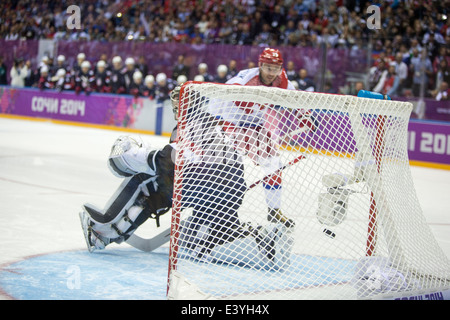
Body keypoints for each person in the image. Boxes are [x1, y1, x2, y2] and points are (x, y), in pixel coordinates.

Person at [214, 47, 299, 228]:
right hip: (231, 122)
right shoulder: (243, 81)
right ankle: (213, 210)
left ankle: (274, 211)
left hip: (255, 126)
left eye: (275, 69)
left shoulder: (281, 80)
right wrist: (215, 122)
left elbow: (296, 101)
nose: (271, 73)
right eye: (268, 68)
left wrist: (303, 115)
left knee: (274, 164)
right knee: (227, 167)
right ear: (260, 65)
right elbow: (218, 98)